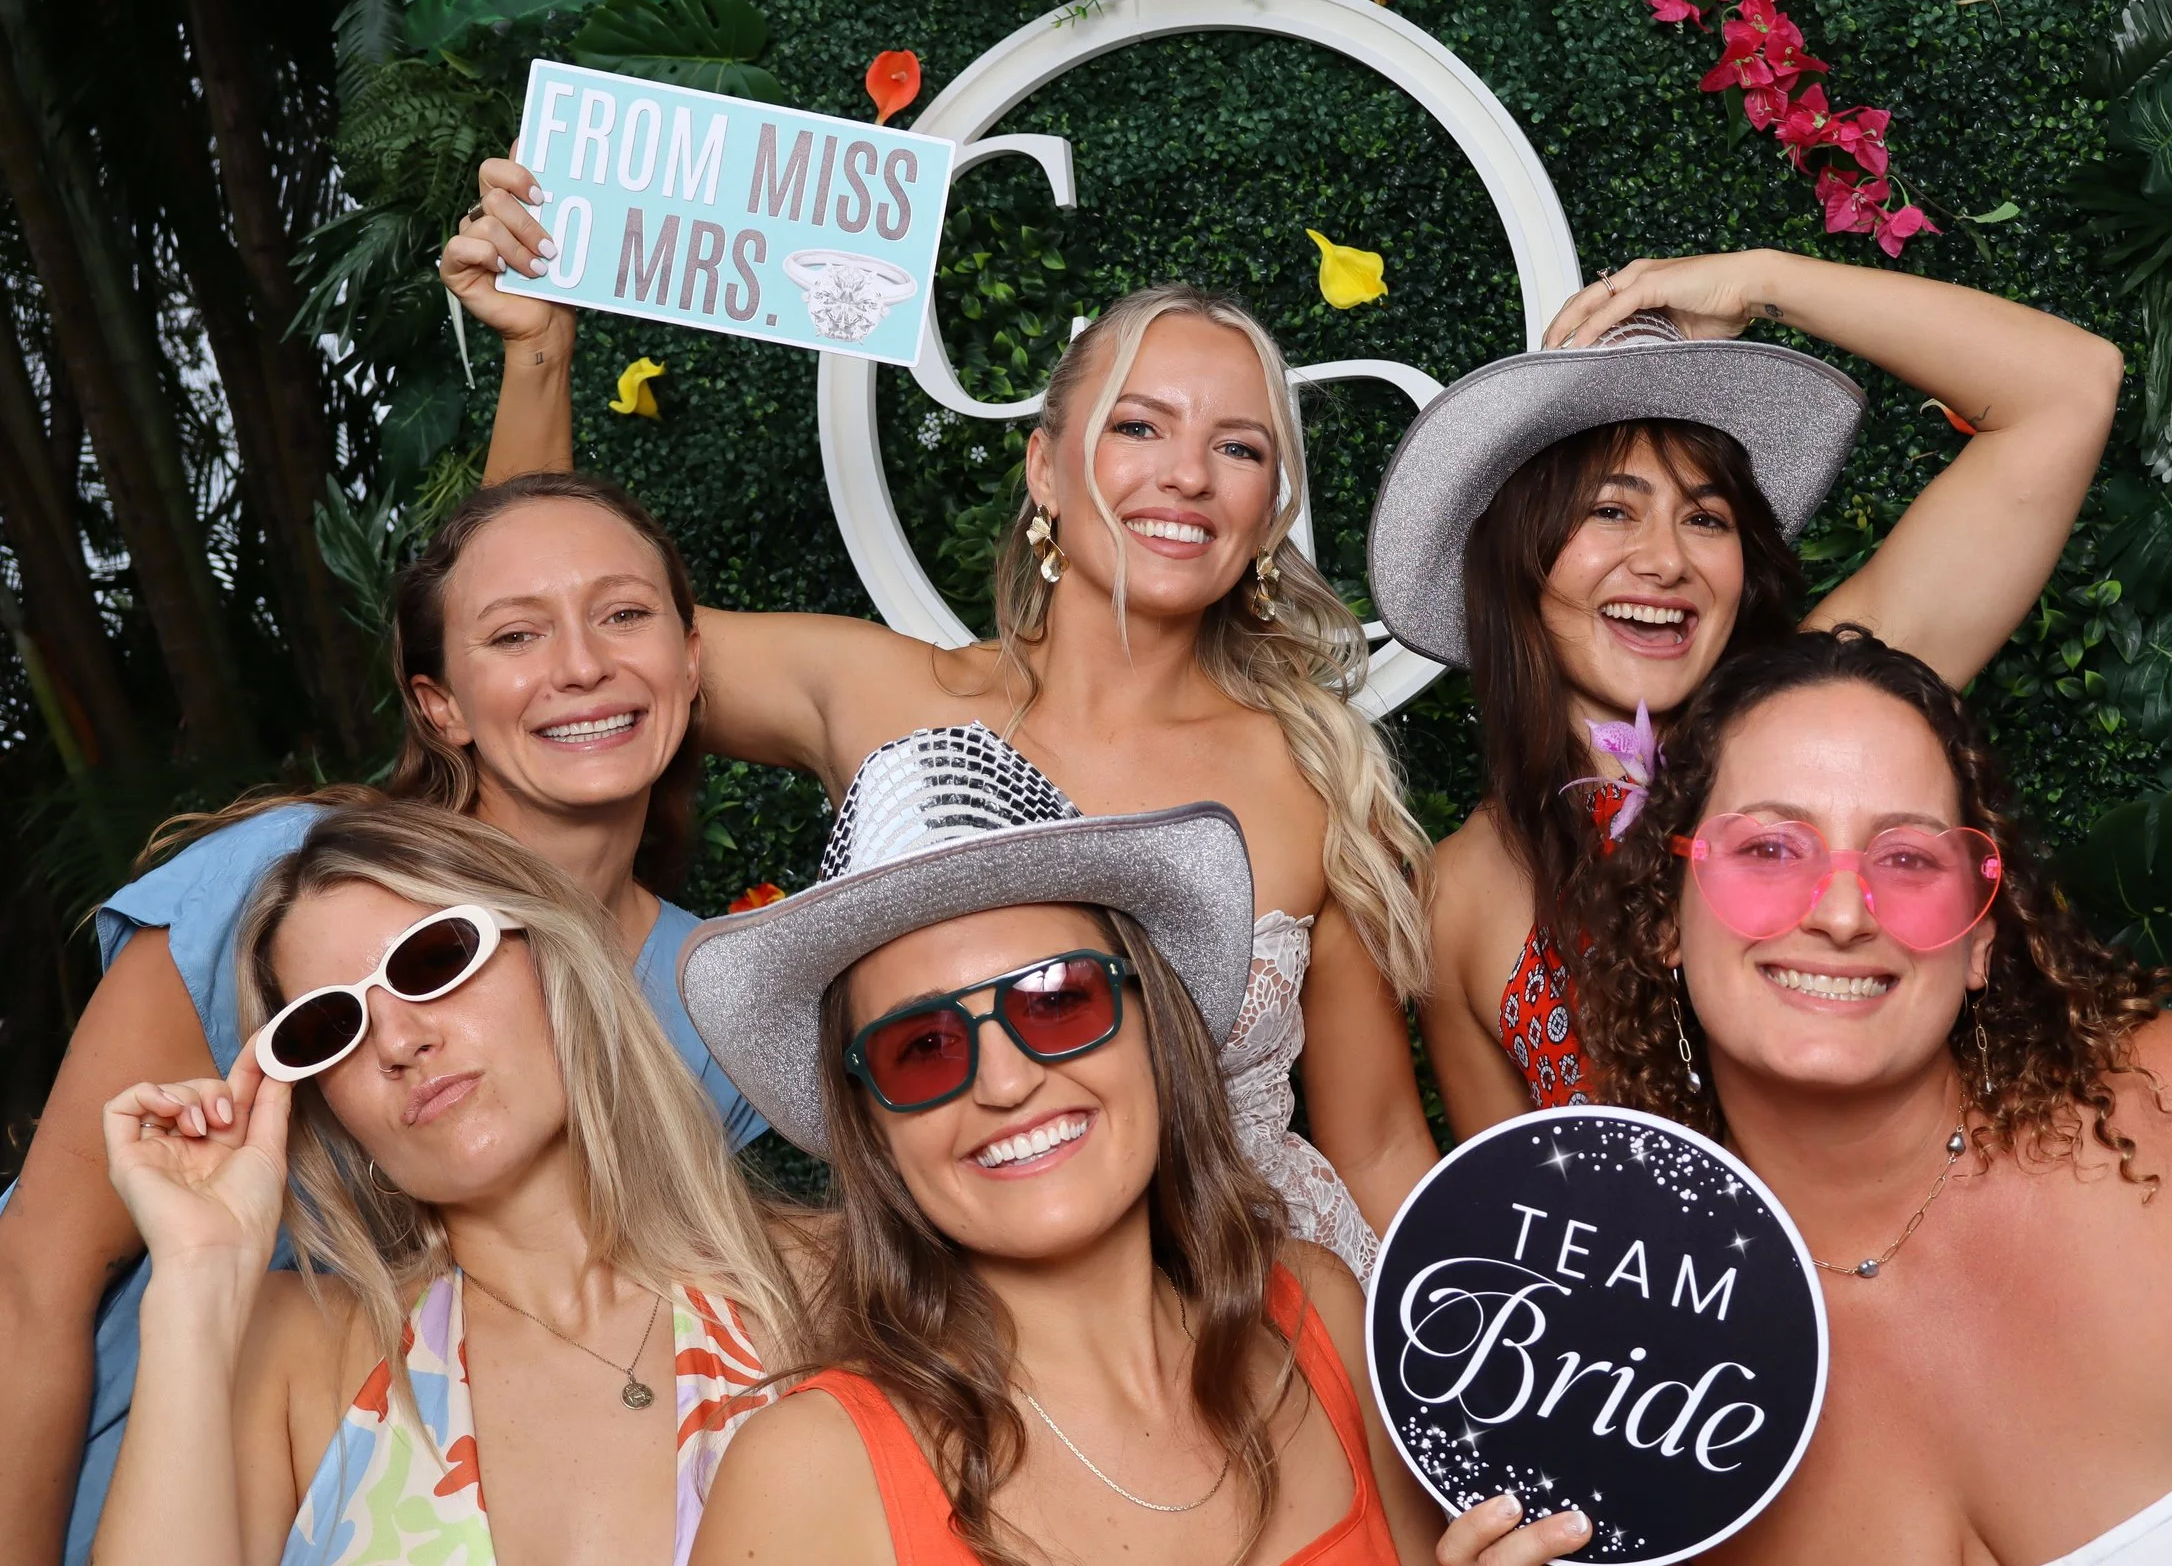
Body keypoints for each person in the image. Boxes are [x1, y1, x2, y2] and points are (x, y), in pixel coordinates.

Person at [447, 161, 1436, 1277]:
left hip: (1271, 1298)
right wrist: (539, 355)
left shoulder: (1312, 774)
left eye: (1239, 448)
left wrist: (1462, 1395)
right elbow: (558, 624)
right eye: (1138, 427)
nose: (1188, 476)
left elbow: (1381, 1141)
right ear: (1045, 470)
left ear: (1268, 515)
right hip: (974, 1314)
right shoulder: (890, 701)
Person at [1570, 626, 2172, 1562]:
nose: (1843, 913)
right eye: (1770, 847)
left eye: (1908, 859)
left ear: (1981, 936)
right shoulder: (1623, 1374)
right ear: (1665, 918)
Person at [0, 471, 763, 1566]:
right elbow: (32, 1280)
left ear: (691, 660)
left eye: (624, 613)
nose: (582, 664)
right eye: (516, 635)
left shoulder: (711, 986)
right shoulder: (275, 894)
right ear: (439, 704)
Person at [664, 724, 1584, 1566]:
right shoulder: (808, 1476)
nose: (1006, 1080)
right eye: (923, 1047)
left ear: (1157, 1028)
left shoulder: (1323, 1317)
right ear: (872, 1124)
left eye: (1058, 998)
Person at [1375, 253, 2124, 1135]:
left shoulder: (1827, 721)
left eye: (1706, 518)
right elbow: (1528, 1232)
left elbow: (2071, 388)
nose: (1666, 560)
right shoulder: (1458, 893)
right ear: (1517, 560)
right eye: (1612, 511)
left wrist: (1762, 279)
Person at [92, 803, 805, 1566]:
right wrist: (196, 1270)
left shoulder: (815, 1284)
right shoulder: (300, 1354)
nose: (398, 1040)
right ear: (324, 1104)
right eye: (331, 1027)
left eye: (432, 960)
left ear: (547, 955)